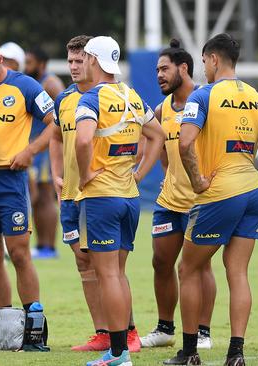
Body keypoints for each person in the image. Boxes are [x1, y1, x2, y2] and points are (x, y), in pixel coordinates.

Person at [164, 33, 258, 366]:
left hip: (220, 193)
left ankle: (189, 352)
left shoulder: (204, 95)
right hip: (253, 192)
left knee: (189, 268)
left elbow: (184, 144)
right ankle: (236, 354)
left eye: (204, 63)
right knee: (237, 272)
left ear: (212, 59)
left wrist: (197, 180)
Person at [75, 36, 165, 366]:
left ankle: (118, 355)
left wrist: (85, 174)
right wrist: (139, 174)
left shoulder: (91, 98)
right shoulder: (131, 94)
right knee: (119, 273)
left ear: (93, 61)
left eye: (84, 58)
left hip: (102, 197)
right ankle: (123, 346)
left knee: (107, 276)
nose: (81, 64)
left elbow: (84, 139)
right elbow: (158, 135)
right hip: (129, 197)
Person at [0, 31, 54, 351]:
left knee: (18, 252)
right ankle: (5, 329)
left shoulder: (25, 86)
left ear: (0, 59)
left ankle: (33, 329)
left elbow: (54, 122)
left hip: (11, 181)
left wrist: (30, 151)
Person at [140, 39, 216, 350]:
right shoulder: (162, 108)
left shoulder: (205, 99)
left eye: (164, 69)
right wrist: (168, 174)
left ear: (183, 68)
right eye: (156, 70)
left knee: (199, 267)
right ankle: (165, 329)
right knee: (161, 262)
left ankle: (203, 332)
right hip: (169, 202)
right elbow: (160, 144)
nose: (158, 75)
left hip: (202, 201)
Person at [49, 35, 112, 352]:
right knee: (82, 261)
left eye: (78, 61)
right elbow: (56, 138)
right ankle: (102, 332)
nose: (73, 67)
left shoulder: (112, 97)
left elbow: (143, 135)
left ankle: (122, 331)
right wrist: (55, 174)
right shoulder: (65, 100)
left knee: (106, 265)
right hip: (71, 195)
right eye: (70, 61)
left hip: (100, 195)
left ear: (92, 61)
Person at [25, 46, 65, 259]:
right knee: (38, 198)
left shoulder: (51, 83)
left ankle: (49, 247)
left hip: (46, 149)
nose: (26, 66)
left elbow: (65, 110)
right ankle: (41, 246)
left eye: (29, 62)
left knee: (47, 197)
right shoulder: (34, 83)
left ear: (42, 64)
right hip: (36, 147)